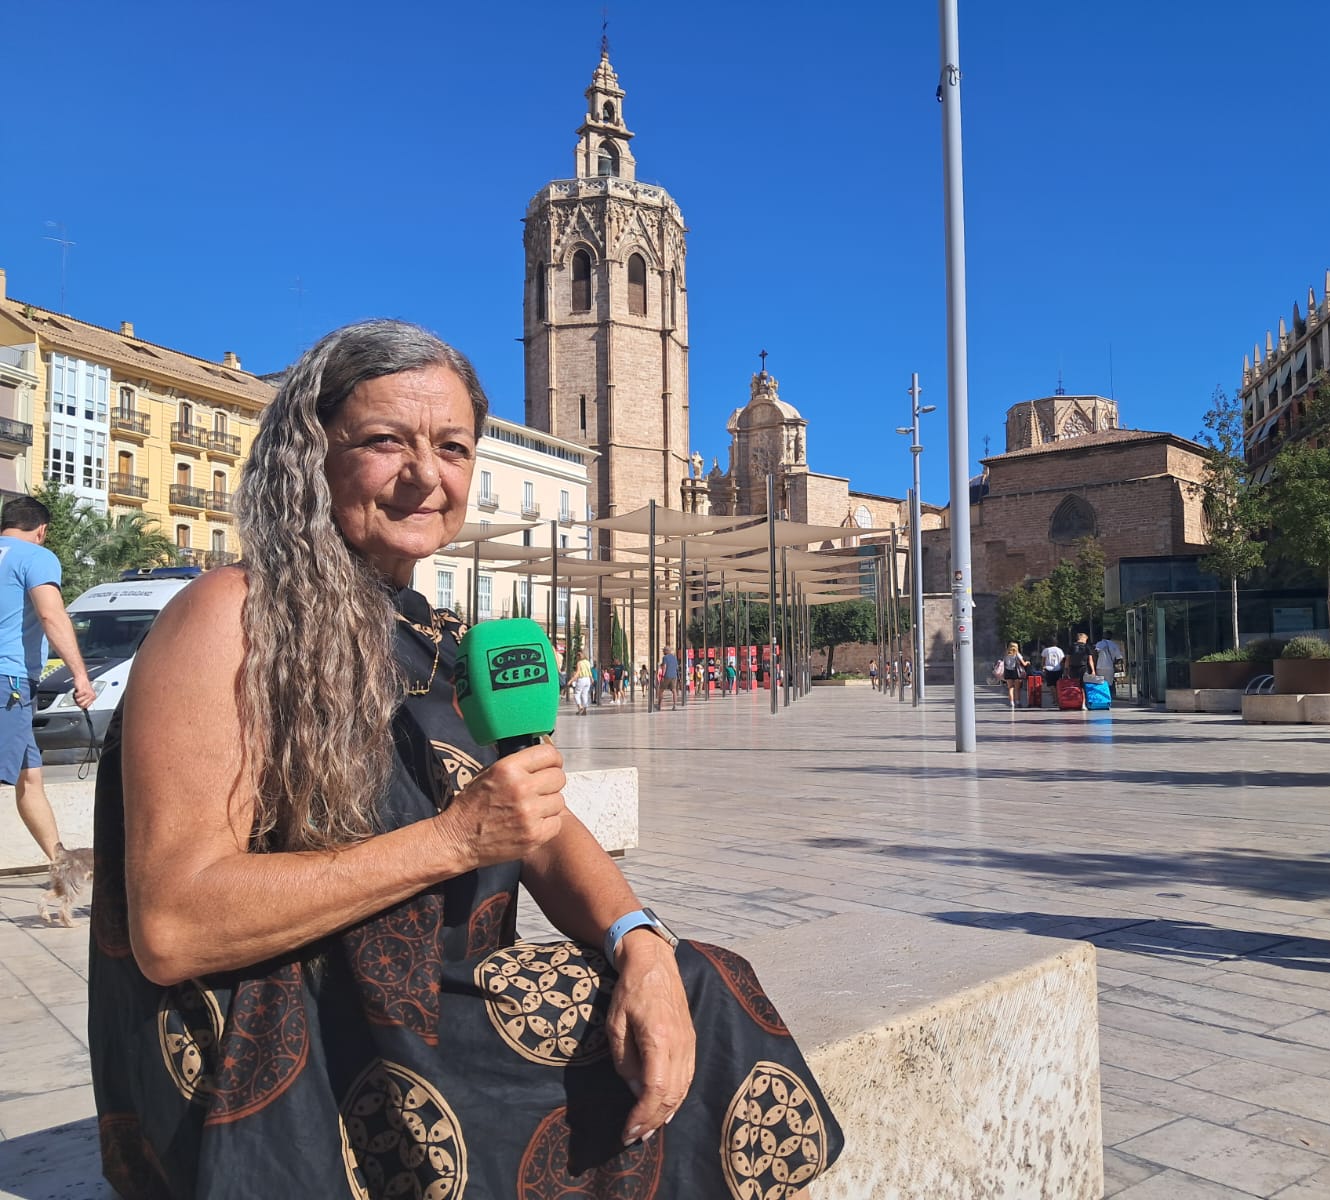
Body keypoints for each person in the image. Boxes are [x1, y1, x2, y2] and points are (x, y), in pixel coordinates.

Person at [86, 321, 841, 1198]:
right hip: (288, 1048)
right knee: (699, 1021)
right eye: (382, 442)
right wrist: (452, 841)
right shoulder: (235, 612)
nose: (425, 476)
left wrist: (636, 938)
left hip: (418, 1005)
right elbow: (173, 927)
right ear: (310, 456)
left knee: (693, 982)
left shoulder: (444, 639)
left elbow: (537, 824)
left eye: (451, 447)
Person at [0, 497, 95, 868]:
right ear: (41, 530)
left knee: (30, 779)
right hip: (9, 681)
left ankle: (61, 864)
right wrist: (80, 674)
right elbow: (50, 614)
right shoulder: (37, 557)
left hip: (11, 683)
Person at [1001, 641, 1029, 708]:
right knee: (1017, 688)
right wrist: (1027, 662)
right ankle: (1018, 702)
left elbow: (1004, 662)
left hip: (1008, 672)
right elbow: (1024, 664)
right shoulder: (1017, 654)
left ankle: (1011, 703)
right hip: (1016, 672)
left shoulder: (1006, 654)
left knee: (1010, 688)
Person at [1039, 639, 1065, 706]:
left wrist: (1043, 667)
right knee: (1058, 685)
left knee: (1051, 685)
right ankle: (1059, 700)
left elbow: (1043, 660)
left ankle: (1055, 700)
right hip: (1058, 669)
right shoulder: (1060, 650)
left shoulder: (1046, 650)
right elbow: (1062, 660)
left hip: (1049, 669)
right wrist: (1063, 669)